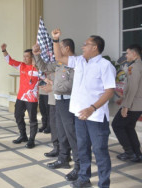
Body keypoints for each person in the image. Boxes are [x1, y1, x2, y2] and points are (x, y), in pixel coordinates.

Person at [52, 29, 116, 188]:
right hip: (79, 115)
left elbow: (109, 91)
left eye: (86, 44)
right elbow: (59, 57)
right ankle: (83, 178)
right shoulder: (79, 61)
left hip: (96, 117)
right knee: (82, 149)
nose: (82, 47)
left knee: (100, 152)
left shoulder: (105, 65)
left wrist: (92, 108)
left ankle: (104, 184)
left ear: (95, 47)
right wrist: (55, 40)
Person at [33, 39, 79, 182]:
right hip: (59, 100)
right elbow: (45, 67)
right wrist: (37, 55)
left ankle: (79, 166)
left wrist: (53, 87)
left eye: (59, 48)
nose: (56, 51)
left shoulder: (76, 63)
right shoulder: (59, 63)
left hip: (69, 101)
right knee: (61, 131)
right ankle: (63, 158)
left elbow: (74, 84)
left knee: (72, 133)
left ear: (67, 48)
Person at [1, 43, 38, 148]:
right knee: (18, 115)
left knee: (32, 119)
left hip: (32, 98)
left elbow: (45, 78)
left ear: (32, 57)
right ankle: (23, 135)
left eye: (27, 56)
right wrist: (4, 51)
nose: (25, 58)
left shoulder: (37, 68)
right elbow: (10, 61)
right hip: (21, 97)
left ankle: (32, 139)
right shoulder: (21, 65)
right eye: (24, 56)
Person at [112, 44, 142, 162]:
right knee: (129, 127)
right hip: (138, 104)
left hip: (133, 105)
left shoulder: (134, 67)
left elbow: (133, 87)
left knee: (117, 125)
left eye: (128, 53)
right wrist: (123, 98)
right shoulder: (139, 65)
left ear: (134, 54)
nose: (126, 55)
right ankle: (137, 153)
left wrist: (125, 106)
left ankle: (129, 152)